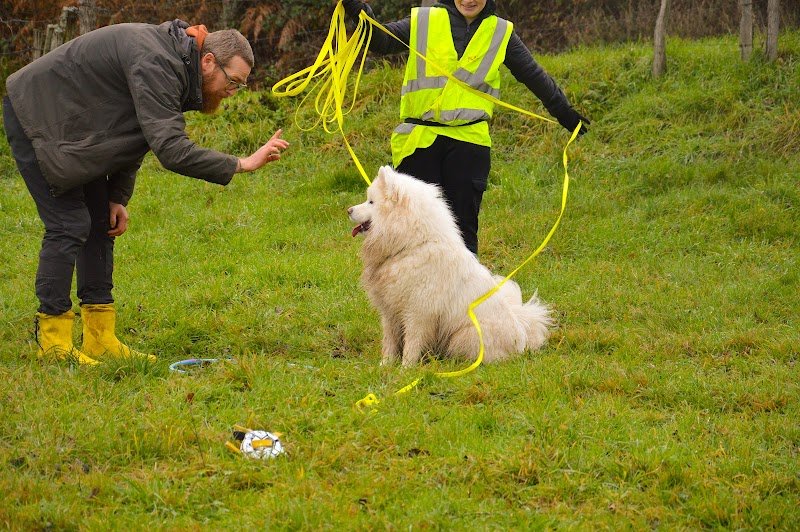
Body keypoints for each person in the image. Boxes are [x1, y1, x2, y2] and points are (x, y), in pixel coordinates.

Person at [3, 20, 289, 365]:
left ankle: (99, 337)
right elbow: (169, 148)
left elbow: (136, 132)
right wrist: (241, 163)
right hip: (37, 115)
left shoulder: (177, 66)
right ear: (209, 61)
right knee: (68, 225)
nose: (232, 92)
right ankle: (53, 343)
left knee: (100, 223)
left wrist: (117, 197)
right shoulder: (158, 61)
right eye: (233, 82)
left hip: (80, 128)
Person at [342, 0, 588, 254]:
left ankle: (465, 293)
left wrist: (564, 112)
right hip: (418, 140)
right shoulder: (425, 20)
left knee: (462, 231)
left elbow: (533, 75)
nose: (469, 0)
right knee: (410, 230)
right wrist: (354, 7)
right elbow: (380, 41)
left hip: (469, 142)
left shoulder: (499, 32)